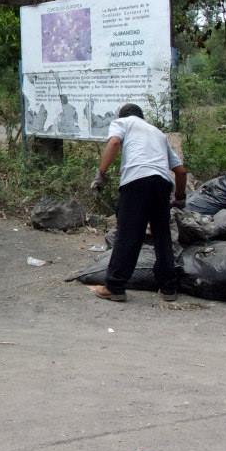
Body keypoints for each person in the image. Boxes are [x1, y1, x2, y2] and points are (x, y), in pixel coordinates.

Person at [90, 103, 188, 303]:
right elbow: (180, 171)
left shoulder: (122, 122)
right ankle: (169, 288)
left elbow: (114, 143)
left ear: (123, 116)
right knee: (162, 235)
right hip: (162, 183)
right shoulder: (159, 134)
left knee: (128, 234)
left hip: (136, 181)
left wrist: (101, 173)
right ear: (142, 116)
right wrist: (179, 197)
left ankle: (115, 287)